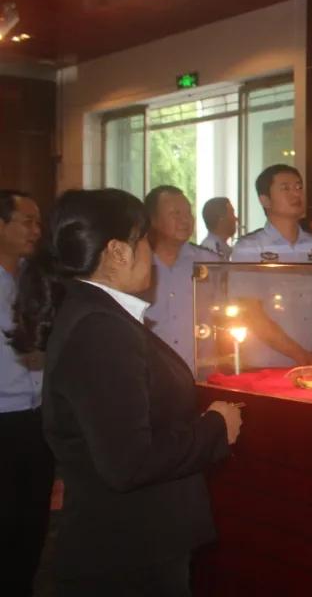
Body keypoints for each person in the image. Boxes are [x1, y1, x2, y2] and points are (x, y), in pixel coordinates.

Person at [9, 188, 242, 596]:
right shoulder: (100, 329)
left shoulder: (102, 315)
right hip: (128, 552)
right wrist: (215, 427)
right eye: (145, 240)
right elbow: (129, 462)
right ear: (118, 251)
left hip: (137, 541)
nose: (150, 253)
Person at [230, 165, 312, 369]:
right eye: (285, 188)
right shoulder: (250, 247)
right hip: (267, 364)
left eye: (299, 187)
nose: (296, 194)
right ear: (265, 200)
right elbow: (251, 312)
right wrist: (298, 354)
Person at [0, 189, 51, 597]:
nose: (36, 230)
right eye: (27, 222)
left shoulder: (35, 279)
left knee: (33, 523)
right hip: (2, 418)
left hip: (36, 417)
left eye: (38, 222)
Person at [141, 186, 220, 374]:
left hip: (199, 375)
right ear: (152, 220)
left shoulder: (209, 262)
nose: (185, 220)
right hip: (150, 375)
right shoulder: (136, 264)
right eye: (176, 214)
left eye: (188, 213)